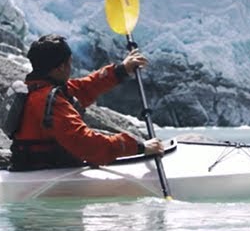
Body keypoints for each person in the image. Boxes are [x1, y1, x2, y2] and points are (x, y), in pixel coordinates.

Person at [9, 34, 165, 171]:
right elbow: (87, 145)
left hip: (35, 166)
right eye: (69, 63)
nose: (71, 68)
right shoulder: (50, 101)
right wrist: (140, 147)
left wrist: (121, 70)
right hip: (47, 173)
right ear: (60, 68)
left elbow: (85, 88)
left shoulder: (36, 89)